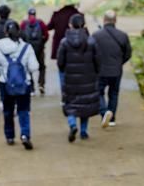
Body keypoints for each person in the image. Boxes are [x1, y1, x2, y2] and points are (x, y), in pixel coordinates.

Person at [0, 20, 39, 150]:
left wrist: (4, 72)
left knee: (8, 111)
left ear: (5, 32)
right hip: (24, 83)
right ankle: (25, 135)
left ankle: (10, 137)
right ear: (19, 31)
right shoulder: (27, 48)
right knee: (24, 111)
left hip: (5, 84)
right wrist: (24, 70)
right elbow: (34, 67)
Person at [57, 14, 99, 142]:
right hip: (88, 78)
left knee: (71, 103)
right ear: (84, 25)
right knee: (85, 104)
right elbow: (97, 61)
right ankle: (84, 131)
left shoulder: (64, 42)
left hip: (70, 79)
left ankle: (72, 125)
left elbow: (60, 62)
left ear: (70, 25)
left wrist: (65, 71)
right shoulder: (91, 41)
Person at [90, 10, 132, 128]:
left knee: (99, 92)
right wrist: (119, 62)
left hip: (100, 70)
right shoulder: (122, 35)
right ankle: (112, 118)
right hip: (116, 70)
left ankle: (104, 113)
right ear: (115, 21)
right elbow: (128, 53)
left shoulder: (96, 35)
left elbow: (91, 53)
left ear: (104, 20)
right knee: (114, 93)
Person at [21, 8, 49, 95]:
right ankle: (41, 84)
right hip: (40, 49)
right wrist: (42, 43)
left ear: (28, 14)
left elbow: (20, 35)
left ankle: (32, 88)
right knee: (42, 67)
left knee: (28, 69)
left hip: (28, 51)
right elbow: (46, 35)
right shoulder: (40, 23)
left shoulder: (23, 24)